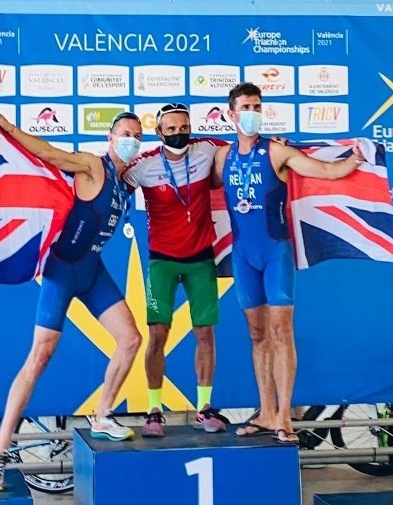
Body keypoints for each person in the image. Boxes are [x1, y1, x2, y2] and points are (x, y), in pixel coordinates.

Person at [0, 111, 144, 492]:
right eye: (125, 134)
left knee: (131, 339)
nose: (131, 140)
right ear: (110, 137)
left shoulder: (127, 182)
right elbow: (49, 154)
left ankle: (102, 415)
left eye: (136, 136)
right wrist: (8, 129)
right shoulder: (92, 166)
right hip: (61, 270)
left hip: (92, 273)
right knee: (38, 358)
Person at [211, 82, 365, 443]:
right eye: (245, 107)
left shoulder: (277, 152)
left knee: (281, 333)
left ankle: (284, 416)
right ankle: (265, 411)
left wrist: (355, 159)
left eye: (257, 106)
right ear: (230, 114)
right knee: (256, 334)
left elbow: (325, 172)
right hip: (243, 257)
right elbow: (196, 177)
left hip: (275, 252)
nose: (252, 113)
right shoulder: (222, 158)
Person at [122, 103, 228, 437]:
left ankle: (204, 408)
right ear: (159, 132)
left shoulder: (208, 150)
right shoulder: (144, 165)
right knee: (158, 334)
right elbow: (109, 187)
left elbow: (244, 151)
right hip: (162, 260)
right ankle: (154, 411)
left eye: (184, 127)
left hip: (201, 258)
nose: (179, 133)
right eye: (171, 129)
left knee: (205, 333)